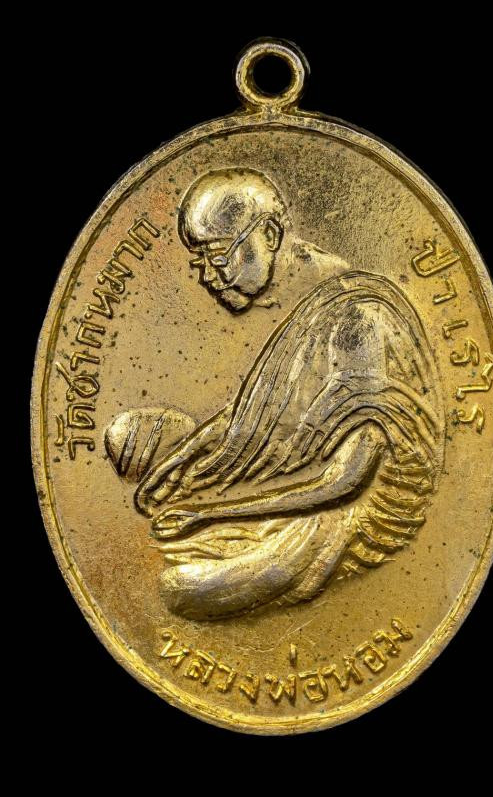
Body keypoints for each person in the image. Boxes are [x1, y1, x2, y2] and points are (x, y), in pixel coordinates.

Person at [105, 168, 444, 620]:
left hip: (351, 518)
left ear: (268, 234)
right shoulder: (309, 316)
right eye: (198, 260)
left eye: (217, 256)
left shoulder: (359, 322)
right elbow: (250, 418)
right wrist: (177, 464)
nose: (207, 275)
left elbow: (344, 483)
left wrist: (211, 513)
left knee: (181, 589)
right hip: (295, 493)